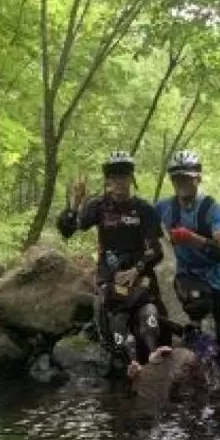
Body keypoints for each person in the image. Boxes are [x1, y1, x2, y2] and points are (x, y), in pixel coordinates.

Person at [56, 151, 169, 377]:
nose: (118, 182)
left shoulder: (144, 210)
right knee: (118, 314)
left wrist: (135, 270)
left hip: (140, 274)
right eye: (113, 177)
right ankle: (131, 362)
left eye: (123, 176)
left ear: (131, 179)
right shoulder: (98, 206)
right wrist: (75, 204)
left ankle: (154, 352)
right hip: (110, 276)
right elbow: (67, 230)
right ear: (108, 181)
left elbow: (156, 250)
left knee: (148, 311)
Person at [156, 150, 220, 376]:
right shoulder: (164, 208)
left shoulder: (212, 209)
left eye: (187, 178)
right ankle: (200, 352)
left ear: (197, 179)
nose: (182, 183)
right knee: (198, 305)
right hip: (188, 276)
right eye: (177, 178)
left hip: (217, 277)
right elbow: (142, 221)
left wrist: (192, 238)